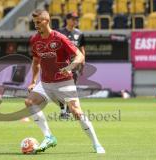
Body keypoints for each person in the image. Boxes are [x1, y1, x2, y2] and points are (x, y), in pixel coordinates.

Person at [27, 9, 105, 154]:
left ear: (46, 21)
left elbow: (79, 56)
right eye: (34, 22)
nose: (36, 25)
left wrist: (70, 66)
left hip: (64, 83)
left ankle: (96, 143)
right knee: (29, 102)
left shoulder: (60, 38)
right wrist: (33, 81)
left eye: (38, 22)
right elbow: (36, 62)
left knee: (76, 112)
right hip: (45, 83)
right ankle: (48, 136)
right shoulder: (34, 40)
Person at [57, 12, 86, 119]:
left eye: (76, 19)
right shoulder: (59, 32)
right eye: (73, 19)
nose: (75, 21)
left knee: (71, 89)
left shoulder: (80, 33)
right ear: (67, 20)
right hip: (62, 64)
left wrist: (83, 62)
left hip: (74, 65)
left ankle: (68, 111)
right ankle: (62, 110)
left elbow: (82, 49)